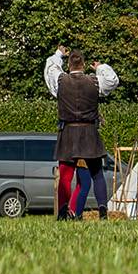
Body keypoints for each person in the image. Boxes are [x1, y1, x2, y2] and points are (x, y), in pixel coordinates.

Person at [47, 46, 120, 220]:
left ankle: (63, 213)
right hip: (89, 132)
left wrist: (58, 55)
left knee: (65, 176)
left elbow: (50, 68)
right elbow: (112, 80)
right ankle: (103, 212)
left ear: (69, 65)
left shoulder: (60, 80)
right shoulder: (95, 82)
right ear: (84, 64)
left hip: (68, 132)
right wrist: (101, 67)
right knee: (97, 174)